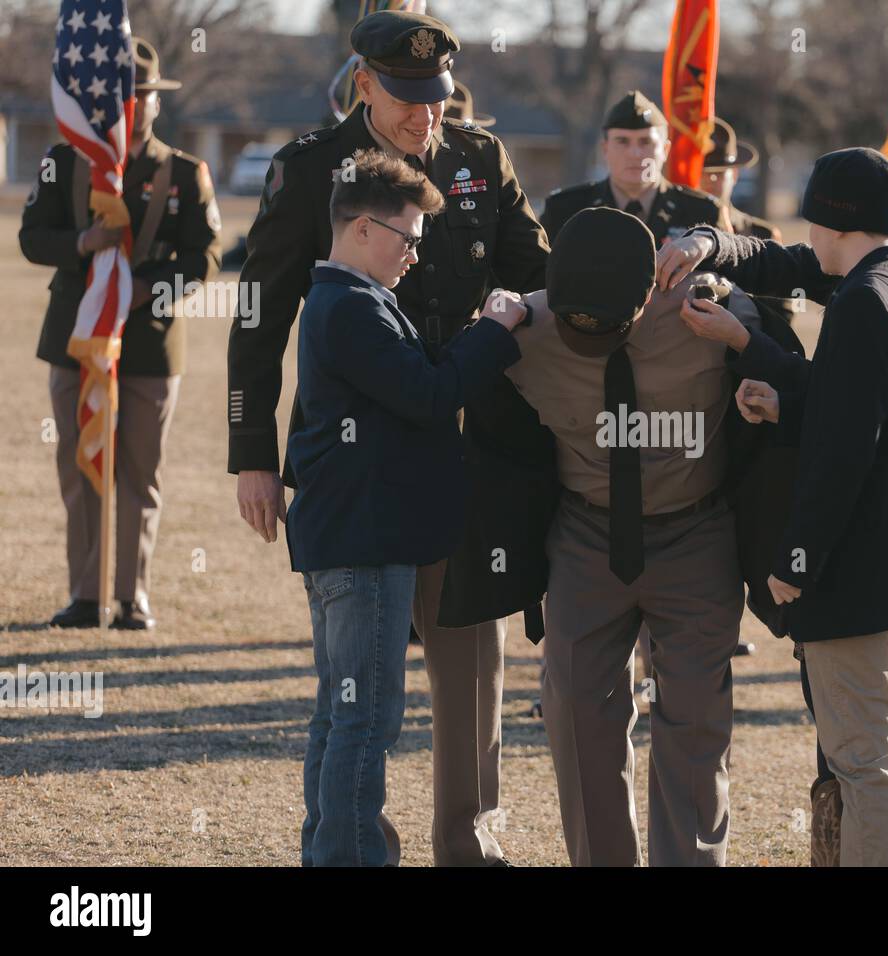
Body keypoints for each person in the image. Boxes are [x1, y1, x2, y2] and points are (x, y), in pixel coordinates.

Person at [227, 9, 549, 866]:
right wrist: (251, 453)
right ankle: (353, 846)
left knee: (471, 675)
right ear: (362, 82)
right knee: (360, 692)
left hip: (469, 459)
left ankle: (467, 845)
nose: (426, 115)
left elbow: (538, 272)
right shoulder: (309, 173)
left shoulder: (479, 160)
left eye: (437, 97)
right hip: (362, 470)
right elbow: (257, 320)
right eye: (407, 97)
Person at [656, 147, 888, 866]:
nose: (810, 238)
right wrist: (790, 401)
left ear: (836, 220)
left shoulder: (863, 300)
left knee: (863, 766)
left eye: (816, 222)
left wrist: (795, 562)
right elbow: (875, 416)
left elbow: (843, 457)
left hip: (858, 577)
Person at [488, 207, 790, 865]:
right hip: (584, 539)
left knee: (695, 728)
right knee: (576, 719)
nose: (583, 332)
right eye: (574, 322)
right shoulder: (526, 324)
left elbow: (787, 352)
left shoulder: (706, 312)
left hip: (697, 535)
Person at [292, 149, 524, 867]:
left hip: (351, 537)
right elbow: (428, 396)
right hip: (364, 545)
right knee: (363, 721)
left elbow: (412, 380)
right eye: (409, 238)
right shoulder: (354, 307)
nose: (417, 256)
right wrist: (496, 328)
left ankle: (329, 853)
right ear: (363, 229)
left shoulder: (348, 298)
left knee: (340, 715)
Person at [19, 37, 221, 630]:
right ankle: (86, 596)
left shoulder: (185, 171)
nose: (130, 106)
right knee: (81, 467)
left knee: (139, 472)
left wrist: (145, 290)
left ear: (155, 103)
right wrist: (81, 244)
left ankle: (133, 598)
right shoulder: (63, 161)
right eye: (117, 97)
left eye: (141, 97)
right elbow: (32, 237)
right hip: (75, 339)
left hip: (150, 345)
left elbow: (204, 256)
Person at [540, 90, 725, 247]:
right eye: (622, 141)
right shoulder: (564, 210)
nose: (635, 154)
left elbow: (727, 285)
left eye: (646, 142)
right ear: (605, 149)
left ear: (666, 150)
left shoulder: (702, 214)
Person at [700, 118, 782, 241]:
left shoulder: (762, 235)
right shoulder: (670, 228)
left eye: (719, 172)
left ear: (734, 175)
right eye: (703, 172)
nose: (711, 178)